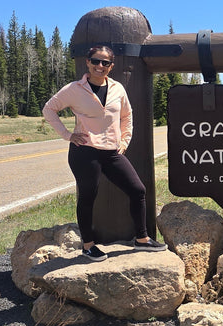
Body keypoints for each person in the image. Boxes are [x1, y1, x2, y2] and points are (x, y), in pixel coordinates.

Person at [42, 44, 166, 261]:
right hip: (85, 152)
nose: (100, 66)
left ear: (111, 66)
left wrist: (125, 140)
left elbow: (127, 115)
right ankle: (88, 245)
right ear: (88, 62)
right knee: (88, 197)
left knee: (137, 190)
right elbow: (49, 109)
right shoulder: (74, 89)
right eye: (96, 61)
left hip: (112, 152)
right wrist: (67, 134)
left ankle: (142, 240)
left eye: (105, 62)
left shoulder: (118, 88)